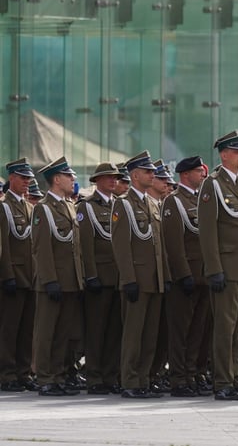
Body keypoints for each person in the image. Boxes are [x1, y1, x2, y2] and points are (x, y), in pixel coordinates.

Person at [197, 131, 238, 400]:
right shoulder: (212, 185)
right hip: (226, 267)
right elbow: (208, 230)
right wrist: (214, 268)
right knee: (226, 327)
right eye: (236, 151)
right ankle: (223, 382)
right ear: (223, 154)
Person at [112, 151, 170, 399]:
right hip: (137, 280)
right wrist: (128, 279)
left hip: (154, 280)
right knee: (134, 334)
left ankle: (144, 379)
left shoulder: (153, 203)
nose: (152, 175)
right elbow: (121, 246)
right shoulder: (123, 204)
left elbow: (160, 245)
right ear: (135, 175)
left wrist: (164, 276)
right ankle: (130, 381)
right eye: (147, 171)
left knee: (150, 334)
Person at [32, 156, 84, 396]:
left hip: (70, 281)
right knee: (47, 332)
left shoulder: (68, 205)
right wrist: (49, 279)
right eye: (68, 176)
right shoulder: (43, 208)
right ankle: (45, 378)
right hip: (52, 282)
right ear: (56, 179)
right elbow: (41, 248)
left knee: (63, 332)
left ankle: (58, 375)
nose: (73, 179)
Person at [161, 156, 211, 397]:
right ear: (184, 175)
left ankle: (191, 374)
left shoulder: (202, 200)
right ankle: (178, 378)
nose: (202, 174)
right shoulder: (174, 202)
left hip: (203, 275)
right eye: (197, 171)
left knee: (197, 331)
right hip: (186, 278)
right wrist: (183, 274)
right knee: (180, 331)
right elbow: (174, 244)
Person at [77, 162, 123, 395]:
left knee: (115, 330)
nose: (113, 181)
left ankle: (110, 375)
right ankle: (94, 376)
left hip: (118, 278)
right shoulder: (87, 207)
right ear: (97, 181)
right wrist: (91, 274)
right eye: (108, 177)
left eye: (115, 177)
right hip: (100, 277)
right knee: (96, 330)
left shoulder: (119, 205)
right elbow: (85, 245)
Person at [0, 158, 37, 392]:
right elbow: (2, 245)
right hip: (13, 276)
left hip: (30, 276)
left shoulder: (29, 207)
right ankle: (6, 373)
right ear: (11, 177)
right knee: (9, 329)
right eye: (23, 178)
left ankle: (23, 372)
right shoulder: (3, 207)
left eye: (28, 179)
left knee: (26, 330)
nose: (27, 182)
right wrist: (7, 275)